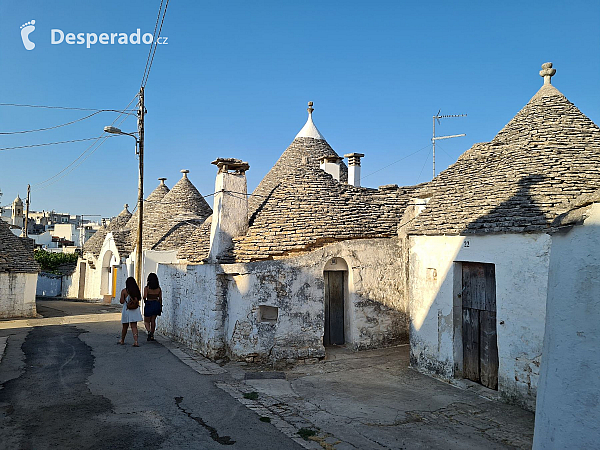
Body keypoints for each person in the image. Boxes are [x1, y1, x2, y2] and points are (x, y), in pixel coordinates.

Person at [119, 277, 143, 347]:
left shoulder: (124, 291)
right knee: (134, 326)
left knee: (125, 326)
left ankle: (122, 340)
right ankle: (136, 341)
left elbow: (121, 301)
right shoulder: (136, 291)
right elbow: (139, 299)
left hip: (127, 310)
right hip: (134, 310)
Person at [143, 272, 162, 341]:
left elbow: (144, 297)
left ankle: (149, 332)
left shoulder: (147, 288)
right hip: (156, 304)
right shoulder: (159, 289)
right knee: (153, 320)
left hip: (149, 304)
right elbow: (160, 298)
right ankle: (152, 334)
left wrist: (145, 301)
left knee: (146, 321)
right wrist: (160, 307)